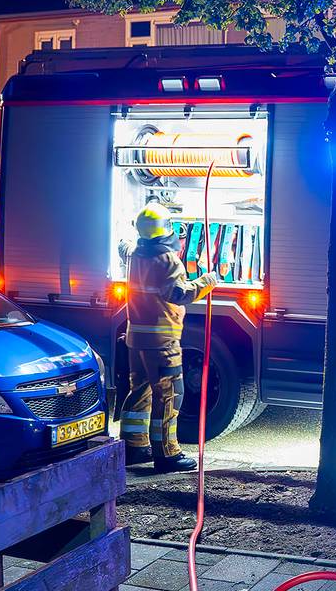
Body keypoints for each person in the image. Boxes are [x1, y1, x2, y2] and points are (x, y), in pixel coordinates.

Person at [122, 202, 218, 472]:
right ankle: (167, 454)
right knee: (169, 394)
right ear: (165, 230)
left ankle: (134, 446)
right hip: (161, 341)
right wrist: (207, 281)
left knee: (139, 391)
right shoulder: (167, 260)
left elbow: (123, 246)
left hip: (136, 338)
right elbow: (178, 294)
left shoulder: (134, 254)